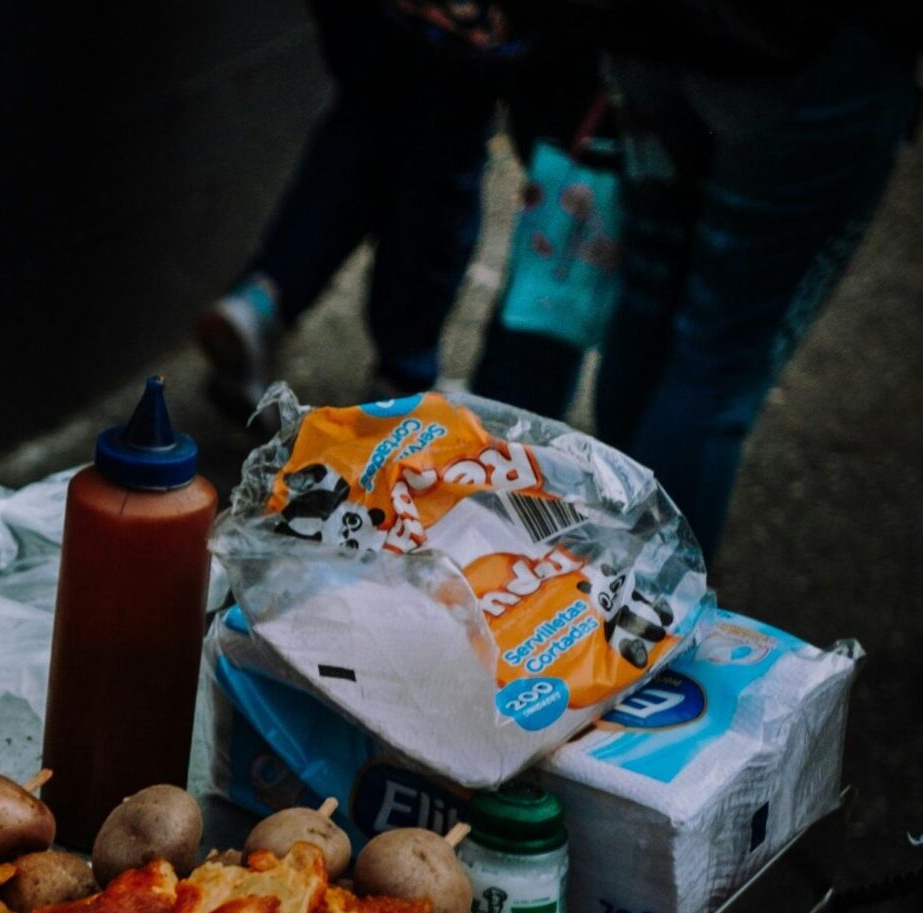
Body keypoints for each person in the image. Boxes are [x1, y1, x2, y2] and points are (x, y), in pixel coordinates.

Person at [584, 13, 917, 555]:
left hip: (650, 39)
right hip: (813, 59)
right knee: (714, 360)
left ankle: (604, 579)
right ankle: (649, 609)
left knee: (648, 303)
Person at [196, 0, 602, 420]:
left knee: (369, 115)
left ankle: (266, 296)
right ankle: (400, 381)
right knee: (445, 154)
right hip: (465, 33)